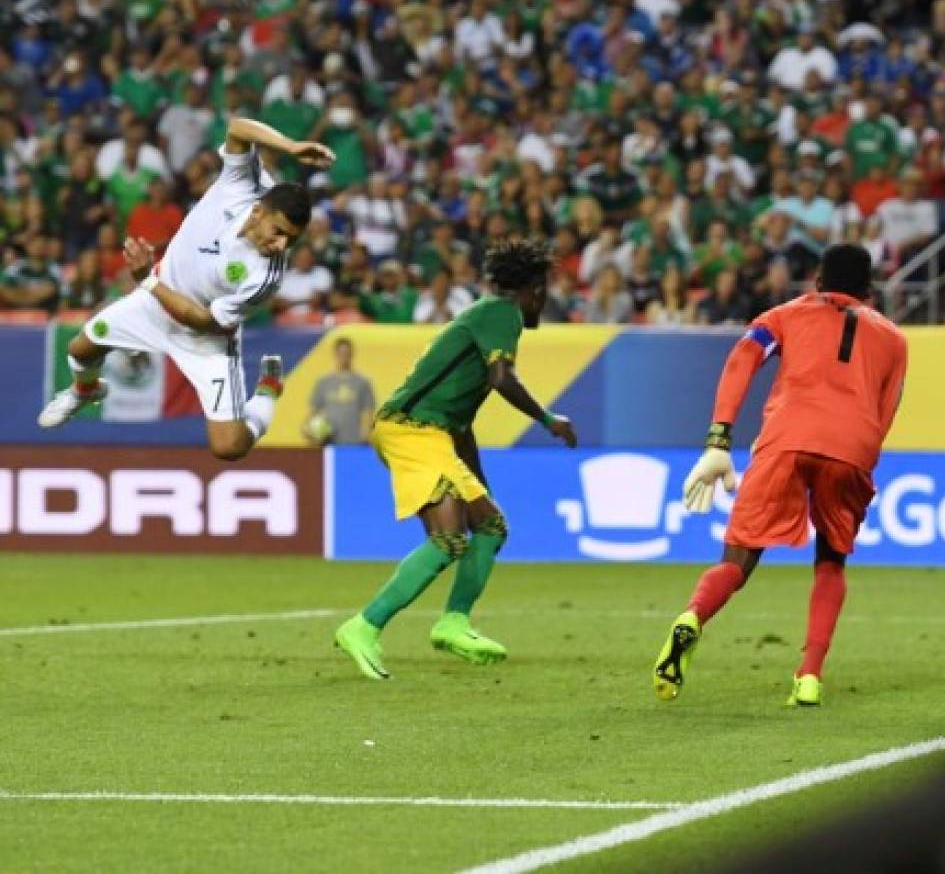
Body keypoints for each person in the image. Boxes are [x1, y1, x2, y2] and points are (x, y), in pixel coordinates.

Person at [652, 244, 907, 707]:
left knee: (737, 558)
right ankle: (808, 676)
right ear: (870, 291)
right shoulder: (894, 338)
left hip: (786, 436)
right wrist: (859, 455)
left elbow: (741, 361)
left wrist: (719, 438)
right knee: (831, 559)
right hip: (853, 446)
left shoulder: (783, 316)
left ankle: (693, 617)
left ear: (816, 281)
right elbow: (887, 410)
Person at [334, 239, 578, 681]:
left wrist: (478, 486)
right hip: (410, 429)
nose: (546, 298)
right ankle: (364, 626)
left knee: (489, 525)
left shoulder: (485, 323)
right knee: (448, 539)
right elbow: (503, 378)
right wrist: (548, 419)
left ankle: (453, 623)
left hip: (435, 435)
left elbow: (461, 424)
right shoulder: (501, 314)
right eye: (544, 289)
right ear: (533, 289)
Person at [37, 117, 336, 461]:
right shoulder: (242, 184)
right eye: (279, 231)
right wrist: (291, 146)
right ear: (257, 211)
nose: (282, 244)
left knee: (229, 447)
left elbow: (204, 321)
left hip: (205, 339)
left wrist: (148, 280)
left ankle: (268, 393)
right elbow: (238, 127)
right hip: (155, 303)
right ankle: (86, 390)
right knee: (80, 349)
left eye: (292, 240)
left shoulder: (264, 276)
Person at [305, 337, 376, 445]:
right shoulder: (324, 382)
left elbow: (369, 412)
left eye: (346, 353)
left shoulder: (362, 382)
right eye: (341, 353)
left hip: (354, 443)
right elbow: (312, 412)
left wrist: (367, 433)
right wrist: (309, 429)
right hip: (329, 443)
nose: (344, 357)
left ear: (352, 354)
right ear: (335, 354)